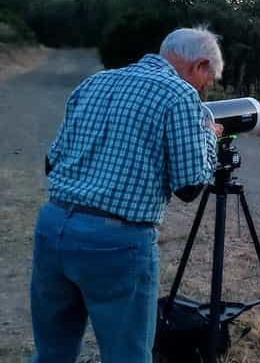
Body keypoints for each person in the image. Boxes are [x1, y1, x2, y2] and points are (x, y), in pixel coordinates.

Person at [30, 27, 225, 363]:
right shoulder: (179, 95)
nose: (203, 90)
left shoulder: (94, 82)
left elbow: (52, 163)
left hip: (53, 228)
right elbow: (190, 187)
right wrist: (210, 137)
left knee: (52, 353)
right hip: (115, 243)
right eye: (207, 80)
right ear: (199, 66)